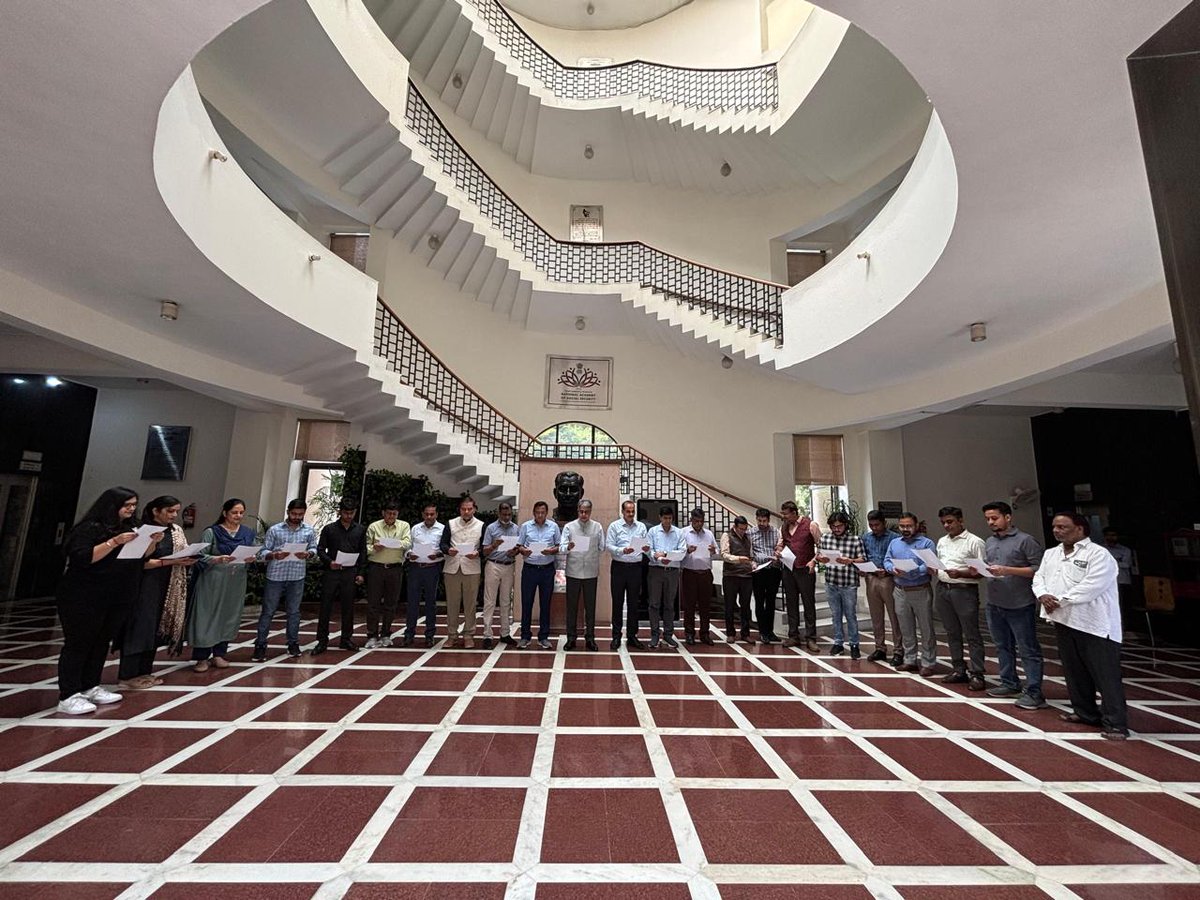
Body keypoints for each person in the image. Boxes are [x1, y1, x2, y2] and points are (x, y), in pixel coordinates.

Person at [55, 487, 156, 714]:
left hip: (117, 594)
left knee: (101, 641)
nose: (131, 509)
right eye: (127, 505)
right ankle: (68, 694)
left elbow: (143, 556)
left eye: (133, 505)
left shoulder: (131, 527)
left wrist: (151, 540)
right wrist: (114, 542)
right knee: (79, 642)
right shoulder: (90, 529)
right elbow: (83, 557)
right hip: (85, 594)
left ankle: (90, 685)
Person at [1034, 512, 1129, 740]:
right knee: (1074, 671)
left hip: (1095, 624)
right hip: (1064, 621)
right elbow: (1039, 578)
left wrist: (1060, 601)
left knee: (1105, 674)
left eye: (1063, 527)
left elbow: (1092, 585)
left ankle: (1116, 723)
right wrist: (1043, 594)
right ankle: (1085, 712)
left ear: (1080, 529)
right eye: (1055, 527)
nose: (1057, 531)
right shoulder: (1051, 554)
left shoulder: (1099, 555)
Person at [117, 495, 198, 689]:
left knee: (155, 629)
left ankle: (145, 671)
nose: (174, 515)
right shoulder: (142, 530)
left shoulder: (175, 530)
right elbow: (140, 562)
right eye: (170, 511)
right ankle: (127, 675)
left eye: (176, 511)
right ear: (156, 511)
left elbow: (181, 551)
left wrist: (189, 557)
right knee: (140, 628)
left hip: (168, 584)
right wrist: (172, 561)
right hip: (145, 585)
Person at [982, 500, 1047, 710]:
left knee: (1027, 648)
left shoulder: (1025, 540)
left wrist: (1008, 570)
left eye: (995, 518)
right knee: (1002, 645)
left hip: (1019, 603)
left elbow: (1038, 569)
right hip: (995, 601)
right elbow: (991, 566)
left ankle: (1034, 691)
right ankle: (1009, 682)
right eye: (988, 519)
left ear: (1008, 517)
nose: (991, 522)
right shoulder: (989, 542)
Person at [188, 498, 256, 673]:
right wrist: (215, 559)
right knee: (207, 615)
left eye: (241, 513)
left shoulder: (248, 533)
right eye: (234, 512)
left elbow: (255, 550)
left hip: (236, 579)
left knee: (228, 615)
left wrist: (252, 557)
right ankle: (201, 657)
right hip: (213, 579)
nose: (238, 516)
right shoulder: (212, 532)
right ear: (225, 513)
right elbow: (198, 555)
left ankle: (219, 653)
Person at [253, 499, 318, 660]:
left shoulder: (308, 530)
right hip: (276, 575)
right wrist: (273, 555)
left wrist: (308, 554)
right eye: (294, 514)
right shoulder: (275, 530)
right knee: (268, 611)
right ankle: (260, 644)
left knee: (294, 612)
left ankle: (293, 643)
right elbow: (262, 551)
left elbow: (313, 548)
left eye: (300, 514)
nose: (297, 517)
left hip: (297, 575)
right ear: (288, 512)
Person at [935, 506, 988, 691]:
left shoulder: (975, 542)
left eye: (950, 522)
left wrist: (961, 573)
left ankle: (978, 673)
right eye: (943, 523)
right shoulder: (941, 541)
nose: (946, 526)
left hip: (964, 590)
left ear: (961, 520)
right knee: (951, 631)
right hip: (943, 588)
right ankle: (959, 669)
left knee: (971, 633)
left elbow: (981, 572)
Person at [884, 512, 938, 675]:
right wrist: (892, 569)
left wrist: (912, 572)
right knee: (906, 628)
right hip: (900, 591)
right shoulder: (894, 543)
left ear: (916, 526)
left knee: (926, 628)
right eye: (902, 526)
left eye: (909, 526)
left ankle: (928, 662)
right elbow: (887, 560)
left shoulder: (926, 543)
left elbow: (930, 564)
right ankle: (910, 660)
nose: (905, 529)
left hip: (920, 589)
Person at [314, 500, 367, 653]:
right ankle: (322, 640)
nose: (348, 516)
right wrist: (330, 562)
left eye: (351, 513)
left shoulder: (360, 530)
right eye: (345, 513)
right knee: (325, 606)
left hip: (350, 571)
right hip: (332, 571)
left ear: (355, 512)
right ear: (340, 512)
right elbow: (320, 549)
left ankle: (346, 639)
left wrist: (361, 573)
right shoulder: (329, 529)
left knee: (348, 606)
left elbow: (363, 552)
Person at [812, 512, 866, 658]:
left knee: (850, 615)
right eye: (833, 526)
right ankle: (838, 643)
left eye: (839, 526)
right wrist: (821, 559)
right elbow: (818, 556)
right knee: (836, 615)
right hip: (831, 581)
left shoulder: (855, 540)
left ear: (845, 525)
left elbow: (863, 559)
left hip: (848, 582)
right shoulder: (826, 538)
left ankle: (854, 644)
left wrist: (850, 560)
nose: (836, 529)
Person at [364, 499, 411, 649]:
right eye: (389, 513)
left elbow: (408, 543)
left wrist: (395, 543)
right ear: (383, 513)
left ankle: (386, 634)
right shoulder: (374, 526)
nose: (391, 516)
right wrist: (374, 548)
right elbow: (365, 547)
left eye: (394, 514)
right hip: (376, 568)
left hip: (395, 568)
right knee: (373, 603)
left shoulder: (404, 526)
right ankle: (372, 635)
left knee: (391, 603)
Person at [776, 500, 821, 651]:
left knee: (808, 603)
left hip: (805, 569)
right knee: (791, 602)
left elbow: (821, 546)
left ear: (794, 513)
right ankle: (793, 635)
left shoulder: (810, 525)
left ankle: (811, 638)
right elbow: (781, 544)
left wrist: (814, 561)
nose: (784, 517)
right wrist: (778, 551)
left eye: (786, 514)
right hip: (788, 569)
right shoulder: (783, 527)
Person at [606, 499, 650, 650]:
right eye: (628, 512)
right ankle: (616, 636)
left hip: (636, 568)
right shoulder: (614, 526)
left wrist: (646, 548)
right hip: (619, 567)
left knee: (633, 604)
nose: (631, 514)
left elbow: (647, 545)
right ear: (622, 512)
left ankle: (632, 636)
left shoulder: (641, 527)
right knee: (617, 603)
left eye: (633, 512)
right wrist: (622, 550)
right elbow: (609, 545)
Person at [441, 496, 483, 648]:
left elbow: (484, 547)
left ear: (474, 509)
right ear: (459, 510)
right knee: (452, 603)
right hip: (452, 567)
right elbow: (443, 543)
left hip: (472, 568)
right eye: (463, 509)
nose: (466, 512)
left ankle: (469, 634)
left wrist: (477, 553)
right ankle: (452, 635)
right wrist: (448, 550)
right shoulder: (451, 523)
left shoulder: (481, 525)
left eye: (469, 509)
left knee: (470, 604)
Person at [561, 498, 603, 651]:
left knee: (590, 608)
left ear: (590, 512)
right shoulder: (569, 527)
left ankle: (590, 638)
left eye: (586, 512)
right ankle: (571, 638)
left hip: (591, 572)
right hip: (573, 571)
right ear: (577, 511)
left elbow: (601, 546)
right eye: (581, 511)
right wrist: (569, 546)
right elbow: (561, 547)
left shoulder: (597, 527)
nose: (584, 514)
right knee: (571, 607)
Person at [517, 500, 560, 649]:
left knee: (545, 603)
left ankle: (543, 636)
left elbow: (558, 546)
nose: (540, 515)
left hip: (547, 569)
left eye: (542, 512)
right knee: (527, 603)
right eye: (537, 512)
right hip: (530, 569)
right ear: (533, 513)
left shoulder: (553, 527)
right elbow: (519, 545)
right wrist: (524, 550)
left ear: (546, 513)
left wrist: (551, 551)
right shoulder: (526, 527)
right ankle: (525, 636)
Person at [861, 511, 902, 665]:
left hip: (889, 579)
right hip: (871, 578)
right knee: (876, 615)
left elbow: (899, 558)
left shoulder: (895, 538)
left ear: (884, 522)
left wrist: (888, 569)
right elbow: (863, 556)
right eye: (871, 525)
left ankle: (898, 650)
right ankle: (880, 647)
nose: (874, 528)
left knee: (894, 615)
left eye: (877, 525)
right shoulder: (866, 537)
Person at [405, 503, 445, 647]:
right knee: (412, 602)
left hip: (432, 568)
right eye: (427, 514)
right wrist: (409, 555)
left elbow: (445, 548)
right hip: (415, 568)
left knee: (431, 603)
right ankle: (409, 634)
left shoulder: (442, 529)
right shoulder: (415, 528)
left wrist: (438, 555)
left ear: (436, 514)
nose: (429, 517)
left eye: (432, 514)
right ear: (423, 514)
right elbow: (408, 546)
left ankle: (430, 635)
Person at [480, 501, 520, 648]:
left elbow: (518, 548)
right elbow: (484, 551)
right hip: (493, 564)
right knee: (490, 601)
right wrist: (494, 545)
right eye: (504, 514)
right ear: (499, 514)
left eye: (509, 514)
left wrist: (514, 551)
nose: (507, 517)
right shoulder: (491, 528)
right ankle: (487, 634)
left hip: (508, 565)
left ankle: (505, 633)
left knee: (506, 601)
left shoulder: (516, 528)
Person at [647, 505, 685, 649]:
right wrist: (657, 556)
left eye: (669, 518)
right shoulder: (653, 531)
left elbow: (682, 551)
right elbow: (649, 550)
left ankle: (668, 634)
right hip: (656, 570)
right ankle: (655, 634)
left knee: (669, 604)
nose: (667, 521)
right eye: (665, 518)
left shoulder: (679, 533)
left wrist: (665, 554)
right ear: (660, 518)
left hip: (672, 570)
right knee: (654, 604)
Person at [680, 508, 718, 645]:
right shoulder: (683, 532)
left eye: (701, 521)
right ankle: (689, 633)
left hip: (706, 573)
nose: (699, 524)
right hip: (690, 572)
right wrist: (687, 550)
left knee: (705, 605)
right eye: (696, 521)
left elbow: (717, 551)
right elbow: (678, 551)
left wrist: (714, 551)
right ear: (691, 520)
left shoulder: (708, 533)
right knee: (689, 605)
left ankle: (705, 633)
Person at [720, 515, 755, 645]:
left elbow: (751, 556)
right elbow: (724, 555)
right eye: (740, 529)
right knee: (729, 605)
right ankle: (730, 633)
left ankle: (745, 633)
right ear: (735, 527)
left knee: (746, 606)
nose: (743, 531)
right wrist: (739, 559)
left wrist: (753, 564)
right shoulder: (727, 536)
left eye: (745, 529)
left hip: (746, 575)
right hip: (731, 575)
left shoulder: (748, 537)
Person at [749, 508, 782, 643]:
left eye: (764, 521)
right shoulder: (750, 533)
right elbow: (749, 553)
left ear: (769, 520)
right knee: (759, 601)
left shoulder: (775, 532)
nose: (762, 523)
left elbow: (779, 548)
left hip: (773, 569)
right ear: (756, 519)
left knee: (771, 601)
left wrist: (777, 555)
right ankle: (762, 631)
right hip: (759, 571)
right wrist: (752, 563)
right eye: (759, 520)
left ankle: (770, 631)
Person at [1102, 527, 1137, 618]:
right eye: (1108, 535)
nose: (1111, 538)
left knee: (1124, 606)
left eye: (1113, 535)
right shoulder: (1100, 550)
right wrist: (1117, 561)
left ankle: (1126, 628)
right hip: (1105, 583)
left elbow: (1126, 564)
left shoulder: (1125, 550)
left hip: (1122, 581)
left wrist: (1109, 562)